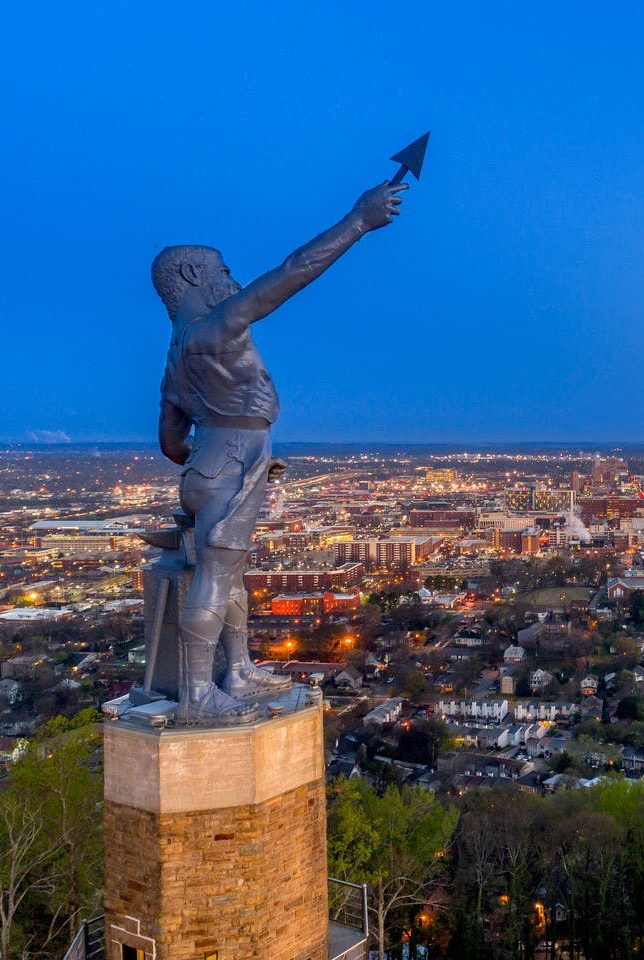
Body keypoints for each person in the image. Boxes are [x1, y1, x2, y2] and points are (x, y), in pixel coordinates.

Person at [152, 180, 408, 723]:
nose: (231, 279)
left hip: (210, 462)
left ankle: (238, 668)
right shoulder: (215, 328)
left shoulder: (176, 355)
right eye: (222, 271)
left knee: (230, 572)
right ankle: (199, 693)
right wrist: (359, 221)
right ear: (195, 277)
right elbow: (290, 273)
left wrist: (210, 451)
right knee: (216, 576)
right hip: (233, 457)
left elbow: (170, 440)